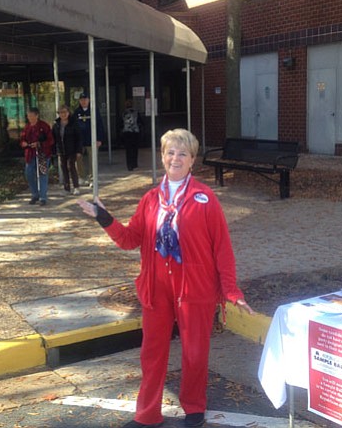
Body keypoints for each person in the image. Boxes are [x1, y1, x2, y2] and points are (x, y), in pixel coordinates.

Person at [78, 128, 253, 428]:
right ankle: (147, 414)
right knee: (152, 353)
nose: (176, 158)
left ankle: (194, 406)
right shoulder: (150, 200)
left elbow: (222, 248)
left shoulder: (205, 198)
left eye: (182, 153)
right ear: (162, 157)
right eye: (170, 152)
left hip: (195, 288)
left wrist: (231, 290)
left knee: (195, 351)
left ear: (192, 160)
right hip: (156, 287)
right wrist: (104, 218)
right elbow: (130, 239)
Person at [20, 107, 54, 206]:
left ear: (37, 115)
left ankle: (43, 197)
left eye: (31, 116)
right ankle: (35, 194)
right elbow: (22, 139)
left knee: (43, 174)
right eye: (28, 116)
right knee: (29, 173)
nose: (30, 118)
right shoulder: (27, 127)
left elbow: (50, 140)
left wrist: (39, 144)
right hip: (30, 154)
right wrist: (24, 143)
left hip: (42, 154)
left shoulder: (44, 126)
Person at [73, 91, 105, 186]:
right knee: (78, 159)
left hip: (92, 139)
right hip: (80, 141)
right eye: (81, 100)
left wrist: (100, 139)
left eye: (85, 100)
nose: (83, 101)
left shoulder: (94, 111)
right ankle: (81, 177)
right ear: (79, 101)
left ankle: (92, 179)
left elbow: (99, 125)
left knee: (93, 160)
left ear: (89, 100)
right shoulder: (76, 112)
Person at [52, 104, 82, 195]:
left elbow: (79, 138)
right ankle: (67, 188)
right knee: (63, 168)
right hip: (61, 150)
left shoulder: (74, 123)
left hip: (72, 149)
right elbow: (54, 138)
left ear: (68, 113)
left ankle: (76, 187)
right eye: (61, 112)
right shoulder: (56, 124)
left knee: (71, 166)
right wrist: (55, 150)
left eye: (65, 112)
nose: (63, 114)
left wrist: (79, 151)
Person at [120, 99, 143, 171]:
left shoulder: (123, 113)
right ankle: (134, 164)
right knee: (135, 149)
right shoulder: (136, 112)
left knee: (128, 150)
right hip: (135, 132)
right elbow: (140, 122)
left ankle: (129, 165)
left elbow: (121, 123)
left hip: (127, 132)